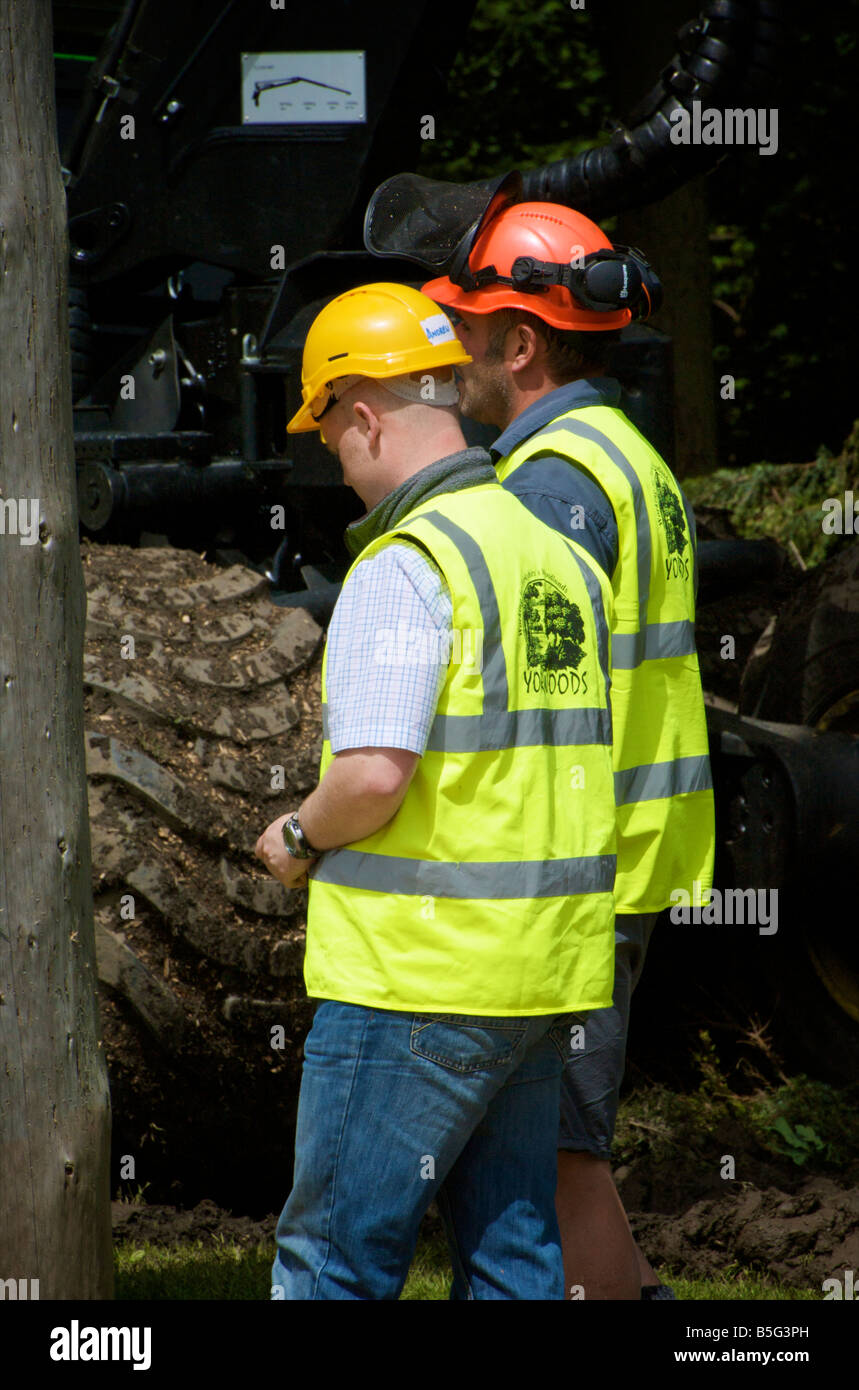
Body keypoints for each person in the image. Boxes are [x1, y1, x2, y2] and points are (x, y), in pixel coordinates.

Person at [255, 281, 618, 1300]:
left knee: (333, 1262)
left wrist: (294, 832)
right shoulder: (555, 557)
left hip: (414, 978)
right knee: (513, 1260)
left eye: (327, 434)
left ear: (361, 412)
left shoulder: (405, 564)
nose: (333, 459)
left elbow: (373, 773)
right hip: (539, 975)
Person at [422, 201, 716, 1300]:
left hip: (577, 875)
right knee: (559, 1154)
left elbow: (539, 695)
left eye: (466, 330)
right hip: (628, 853)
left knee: (557, 1162)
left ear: (522, 344)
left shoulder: (550, 483)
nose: (450, 355)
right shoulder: (624, 454)